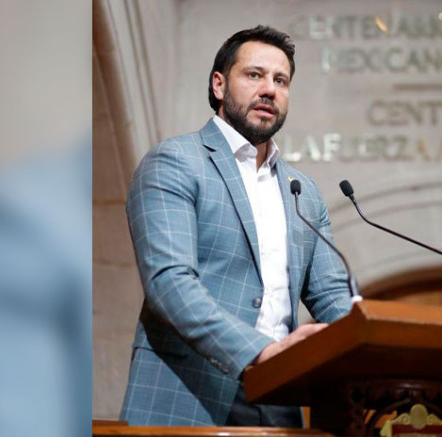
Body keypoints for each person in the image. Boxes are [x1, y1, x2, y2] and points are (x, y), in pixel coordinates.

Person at [120, 25, 352, 427]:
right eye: (254, 75)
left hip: (281, 396)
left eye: (281, 80)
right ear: (219, 84)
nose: (269, 90)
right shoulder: (175, 161)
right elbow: (169, 284)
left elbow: (333, 294)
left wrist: (372, 336)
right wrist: (262, 351)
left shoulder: (303, 191)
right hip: (190, 391)